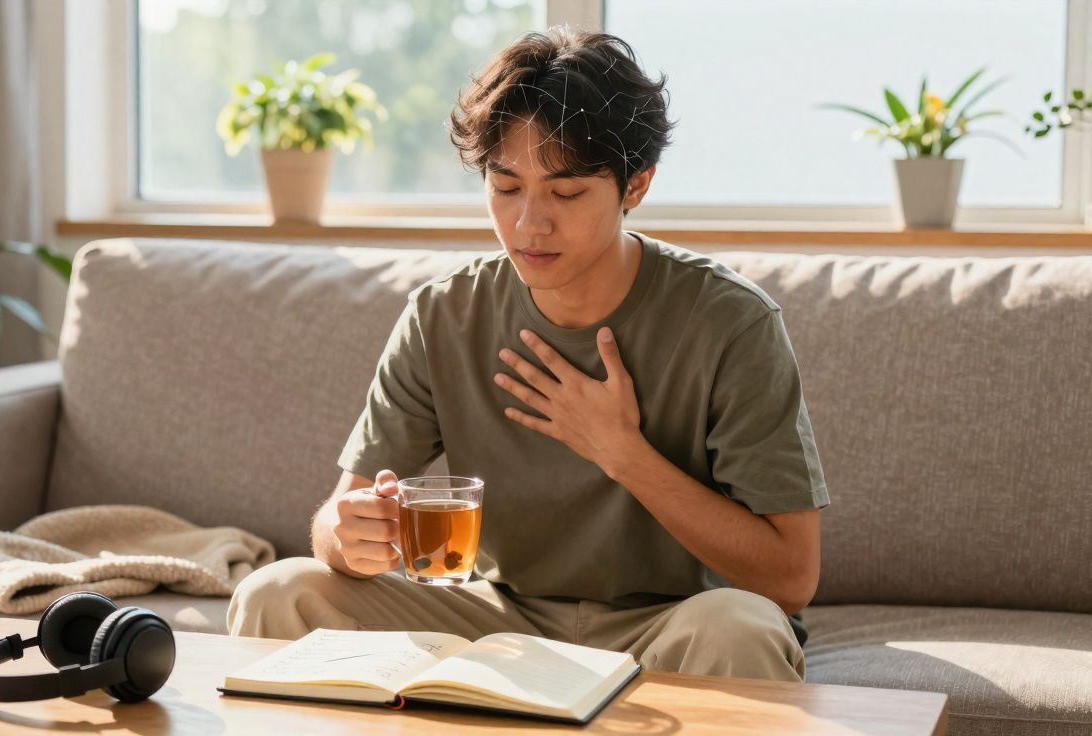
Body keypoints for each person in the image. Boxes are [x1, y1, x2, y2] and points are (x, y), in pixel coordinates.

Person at [227, 26, 829, 683]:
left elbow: (791, 578)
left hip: (672, 623)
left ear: (637, 185)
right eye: (506, 187)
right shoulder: (443, 316)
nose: (529, 224)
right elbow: (337, 529)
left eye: (566, 193)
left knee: (741, 629)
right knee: (277, 593)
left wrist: (621, 451)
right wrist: (344, 535)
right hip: (494, 618)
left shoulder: (729, 322)